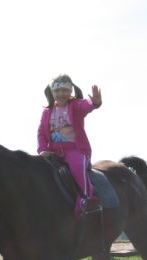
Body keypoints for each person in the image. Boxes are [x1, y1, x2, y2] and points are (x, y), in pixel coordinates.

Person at [37, 74, 102, 216]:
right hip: (53, 152)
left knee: (77, 167)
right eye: (57, 90)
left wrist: (94, 103)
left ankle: (85, 197)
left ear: (70, 91)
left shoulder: (75, 106)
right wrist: (42, 149)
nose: (61, 94)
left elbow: (86, 105)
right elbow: (41, 132)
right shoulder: (47, 112)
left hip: (75, 150)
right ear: (52, 92)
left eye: (65, 90)